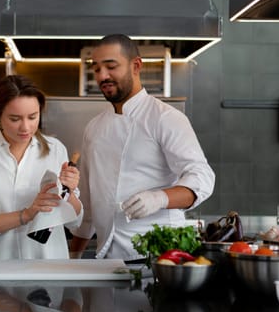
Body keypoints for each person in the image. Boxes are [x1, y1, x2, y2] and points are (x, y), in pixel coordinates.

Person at [69, 34, 215, 261]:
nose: (102, 76)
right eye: (96, 69)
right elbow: (88, 203)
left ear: (136, 65)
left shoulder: (166, 118)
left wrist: (159, 198)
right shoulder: (94, 128)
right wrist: (73, 257)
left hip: (160, 258)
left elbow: (203, 178)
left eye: (111, 66)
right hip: (107, 260)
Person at [0, 74, 83, 260]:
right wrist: (26, 214)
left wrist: (69, 193)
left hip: (48, 266)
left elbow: (76, 221)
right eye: (15, 119)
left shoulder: (55, 149)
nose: (25, 127)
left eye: (33, 117)